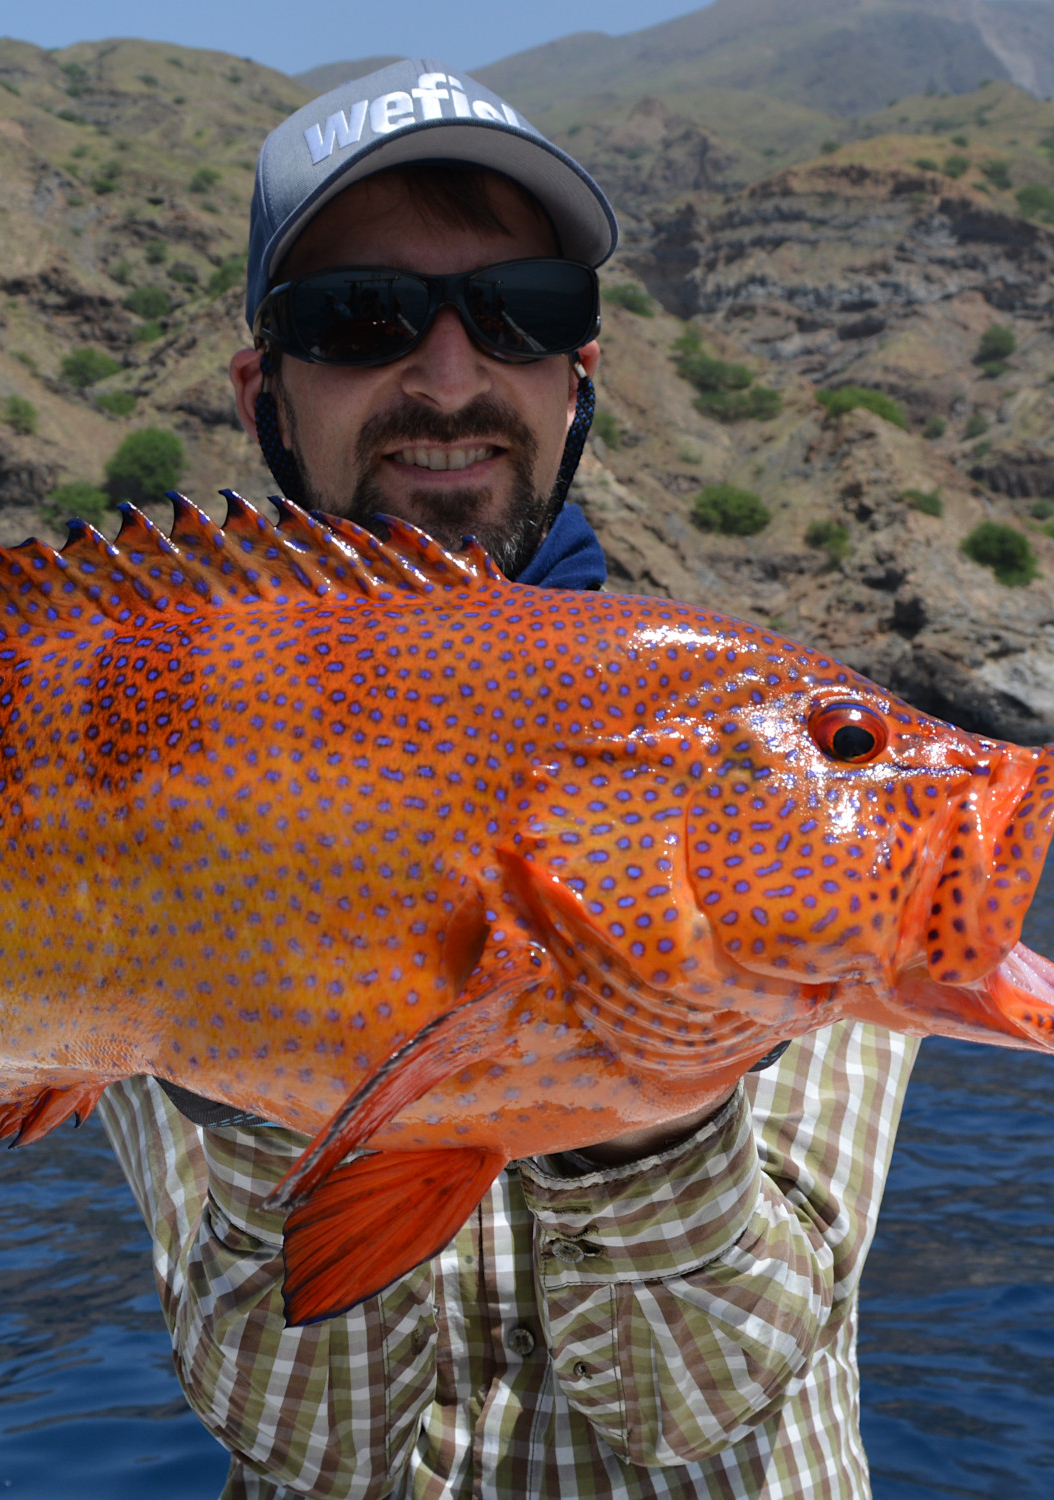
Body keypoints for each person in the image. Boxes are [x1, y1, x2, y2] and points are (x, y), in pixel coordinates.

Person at [96, 58, 917, 1500]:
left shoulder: (769, 759)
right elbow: (313, 1442)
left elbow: (690, 1403)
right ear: (263, 393)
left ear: (577, 372)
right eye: (364, 318)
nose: (453, 376)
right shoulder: (170, 775)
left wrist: (641, 1034)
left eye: (523, 311)